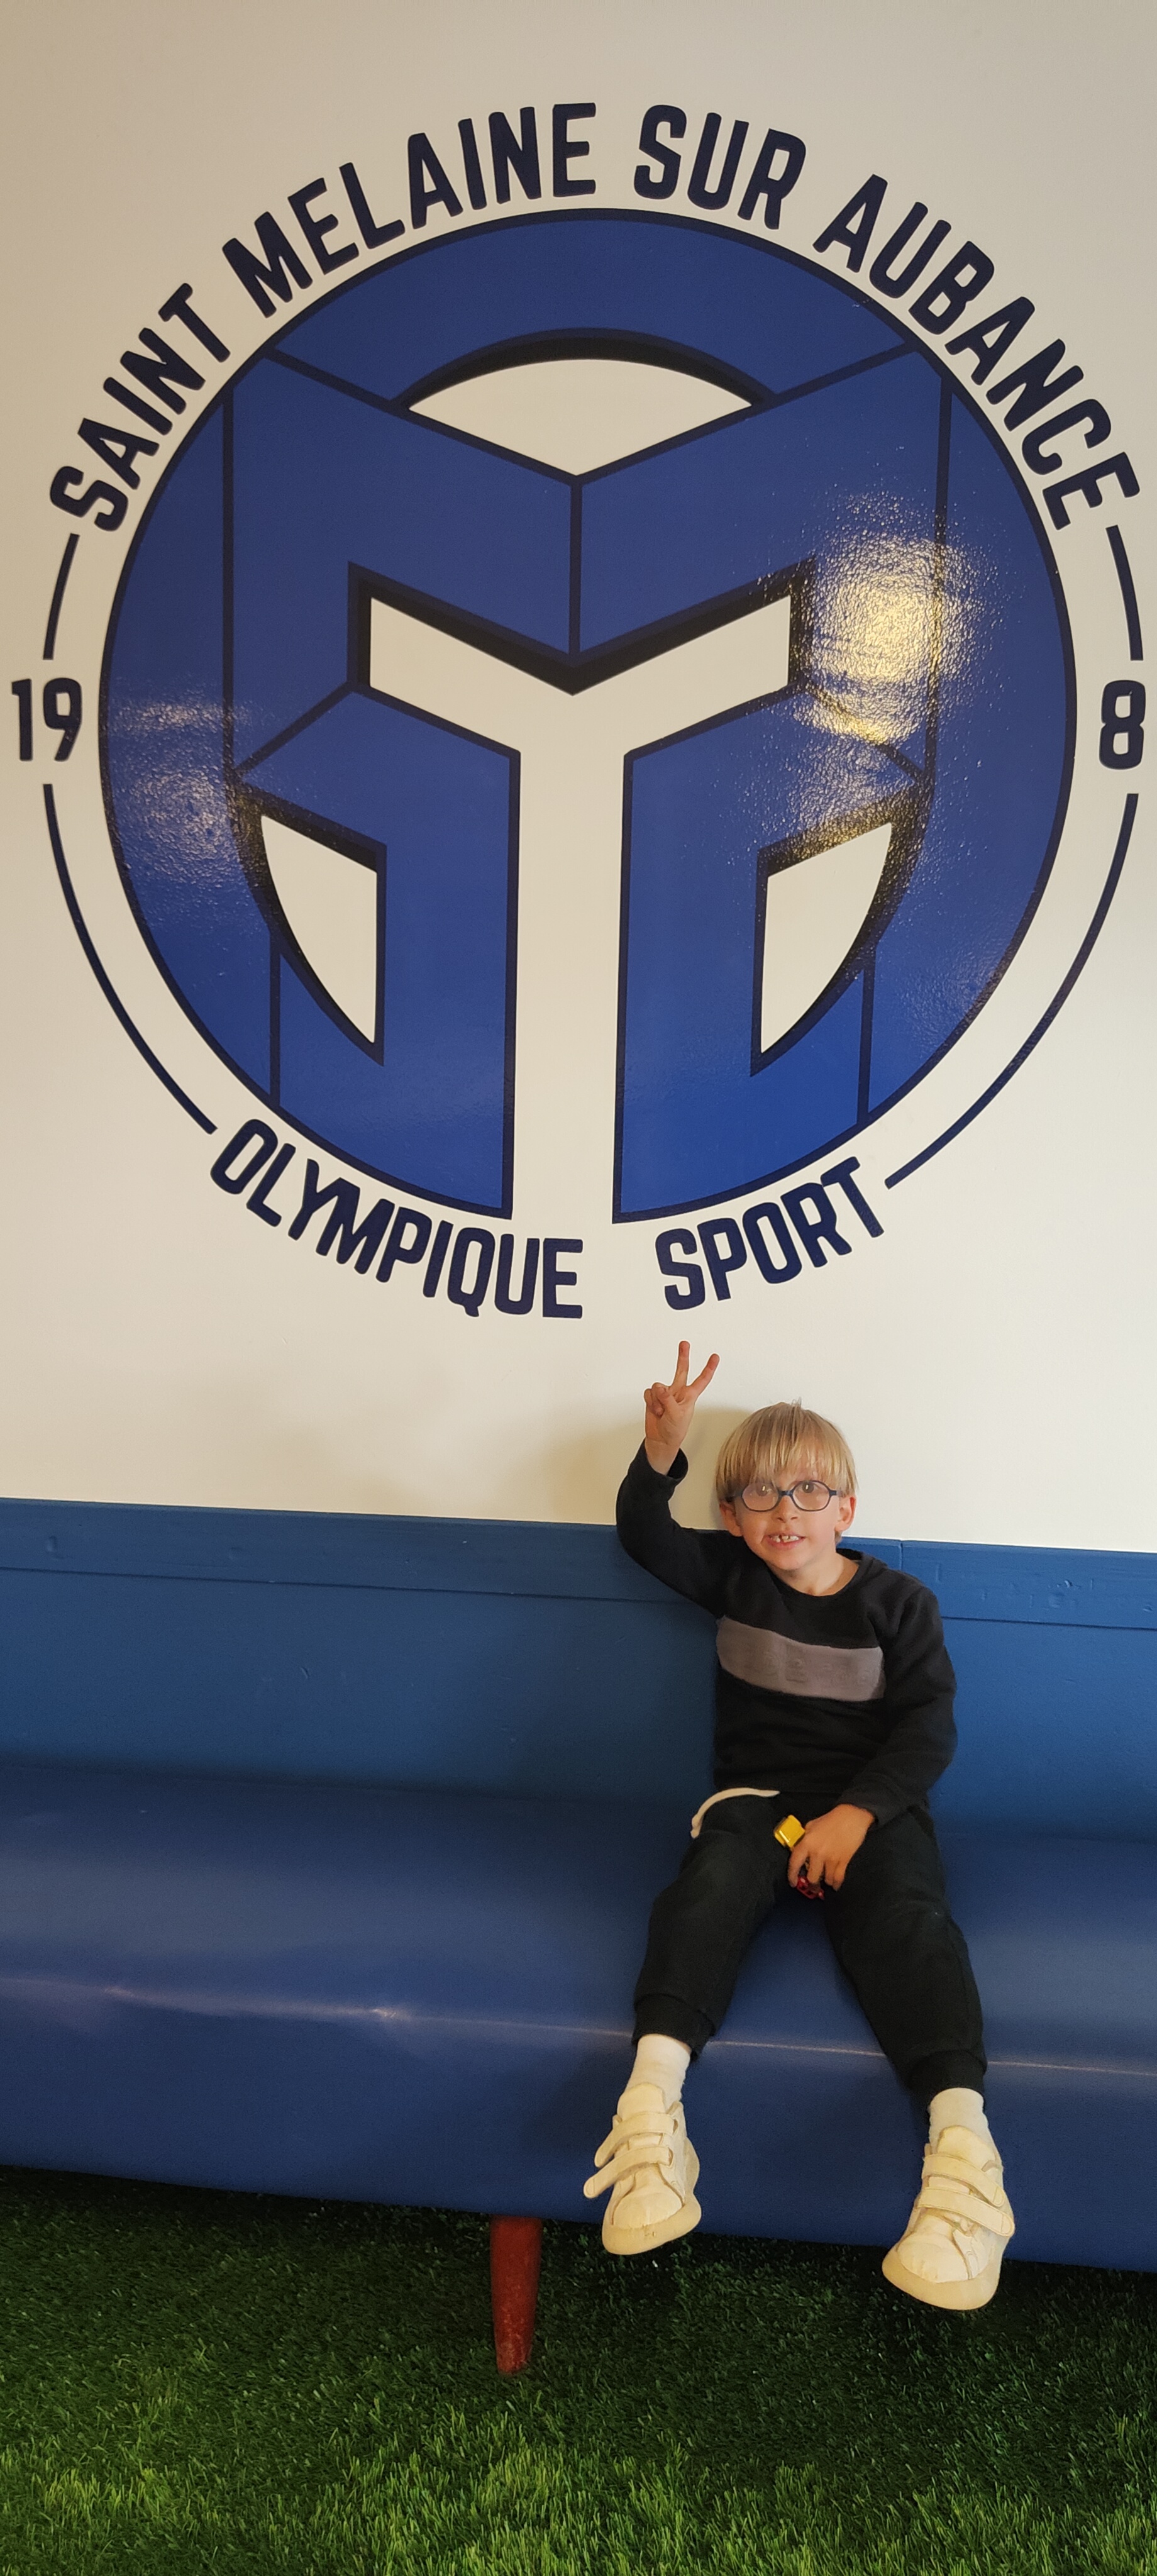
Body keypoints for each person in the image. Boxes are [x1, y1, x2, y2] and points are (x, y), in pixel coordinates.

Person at [583, 1342, 1014, 2311]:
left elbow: (928, 1732)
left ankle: (965, 2160)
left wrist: (857, 1814)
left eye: (809, 1491)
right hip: (757, 1805)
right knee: (707, 1889)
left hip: (869, 1808)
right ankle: (651, 2114)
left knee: (909, 1921)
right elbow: (644, 1533)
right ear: (733, 1518)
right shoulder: (733, 1577)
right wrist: (663, 1449)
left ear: (847, 1509)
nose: (786, 1512)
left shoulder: (899, 1604)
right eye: (761, 1495)